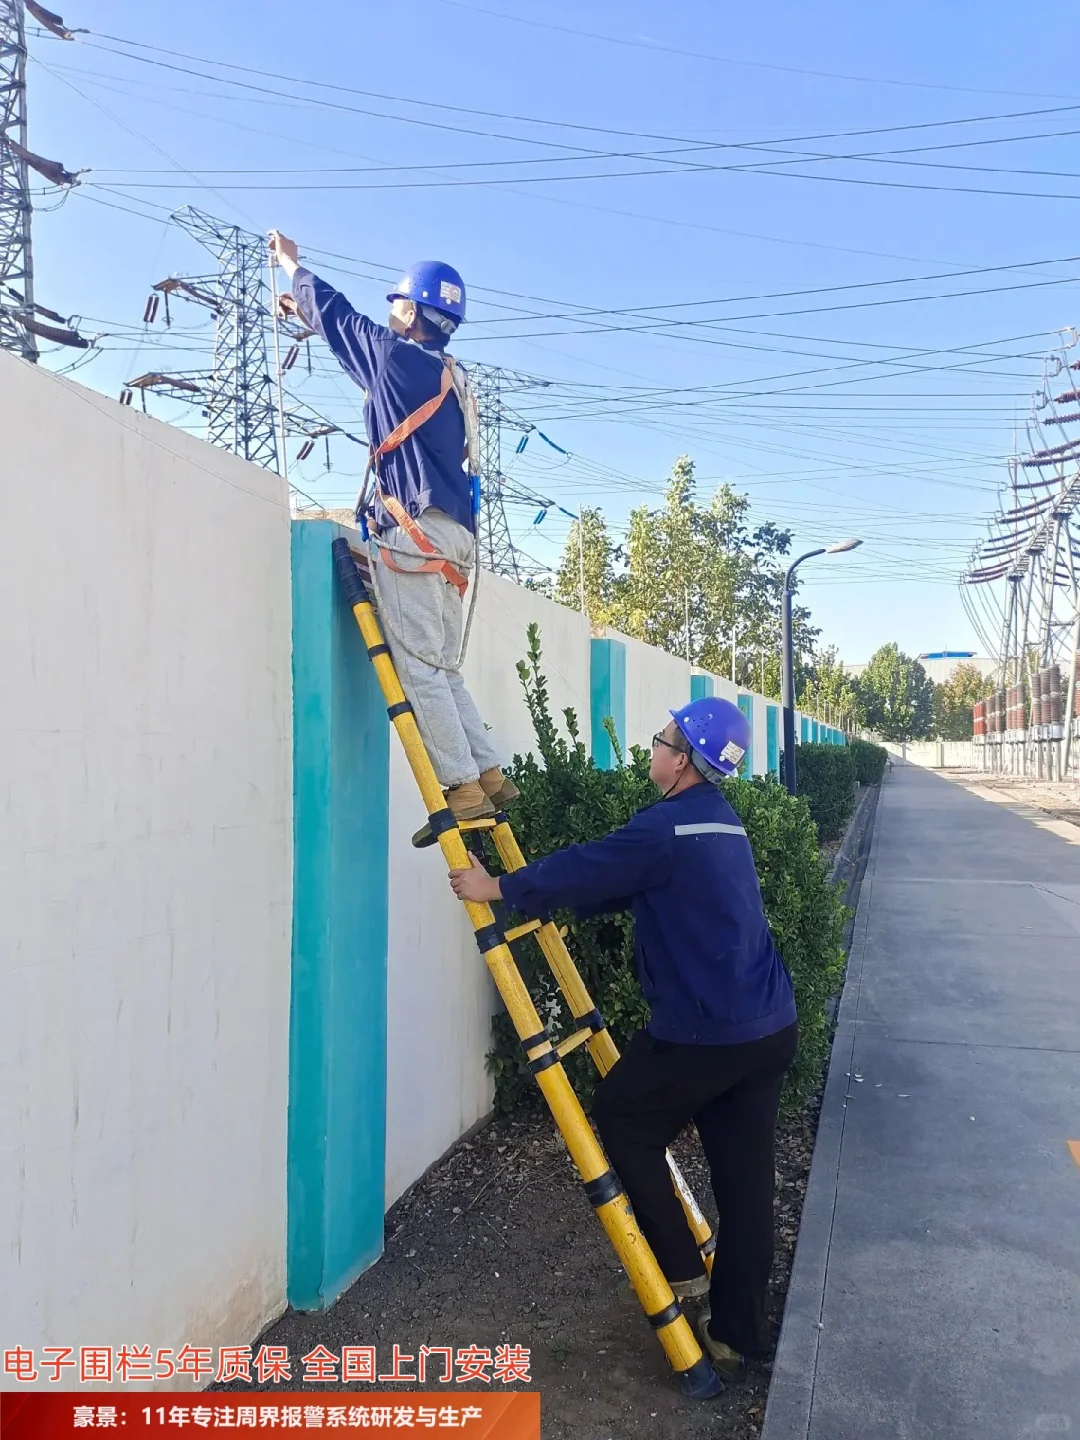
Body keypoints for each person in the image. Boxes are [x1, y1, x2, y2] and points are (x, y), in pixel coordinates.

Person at [448, 696, 798, 1382]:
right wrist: (547, 899)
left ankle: (677, 1270)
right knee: (747, 1182)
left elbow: (590, 865)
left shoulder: (663, 827)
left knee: (622, 1118)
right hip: (767, 1026)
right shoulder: (722, 823)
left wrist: (500, 885)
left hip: (706, 1032)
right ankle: (739, 1335)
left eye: (663, 740)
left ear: (686, 761)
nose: (654, 749)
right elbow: (630, 886)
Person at [267, 230, 517, 847]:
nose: (389, 313)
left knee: (420, 670)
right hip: (454, 537)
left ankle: (458, 787)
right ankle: (488, 773)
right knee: (444, 667)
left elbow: (337, 318)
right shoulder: (447, 375)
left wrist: (292, 268)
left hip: (417, 533)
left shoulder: (392, 357)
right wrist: (299, 306)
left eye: (396, 305)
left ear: (410, 309)